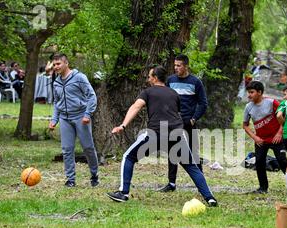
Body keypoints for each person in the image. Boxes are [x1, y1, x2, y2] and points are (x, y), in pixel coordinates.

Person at [106, 65, 217, 207]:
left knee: (129, 156)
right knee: (192, 167)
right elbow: (175, 112)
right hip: (176, 134)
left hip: (155, 134)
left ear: (155, 78)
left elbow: (136, 106)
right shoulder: (173, 93)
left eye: (149, 76)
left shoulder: (148, 92)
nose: (148, 79)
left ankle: (123, 193)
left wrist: (123, 125)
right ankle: (210, 198)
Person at [158, 54, 208, 193]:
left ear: (186, 66)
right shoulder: (170, 80)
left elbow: (203, 103)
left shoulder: (196, 82)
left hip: (189, 122)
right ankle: (171, 183)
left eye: (179, 65)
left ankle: (201, 184)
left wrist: (194, 118)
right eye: (175, 65)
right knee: (172, 151)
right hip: (173, 122)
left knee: (194, 152)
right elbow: (165, 99)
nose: (176, 68)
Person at [48, 53, 99, 187]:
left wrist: (87, 114)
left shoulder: (79, 78)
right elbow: (57, 102)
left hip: (81, 117)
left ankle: (94, 175)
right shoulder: (56, 82)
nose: (56, 67)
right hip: (65, 118)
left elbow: (92, 96)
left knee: (88, 148)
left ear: (66, 63)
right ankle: (70, 180)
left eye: (58, 64)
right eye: (54, 64)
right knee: (66, 149)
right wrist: (54, 120)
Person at [243, 81, 287, 193]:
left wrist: (279, 133)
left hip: (276, 139)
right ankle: (263, 188)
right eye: (248, 92)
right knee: (259, 162)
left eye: (251, 92)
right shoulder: (248, 107)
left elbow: (285, 118)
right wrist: (255, 137)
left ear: (259, 92)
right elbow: (245, 125)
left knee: (282, 161)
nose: (249, 95)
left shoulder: (272, 102)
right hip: (261, 141)